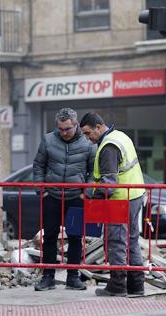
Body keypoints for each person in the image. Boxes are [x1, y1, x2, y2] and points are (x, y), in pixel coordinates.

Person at [79, 112, 145, 297]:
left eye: (88, 133)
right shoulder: (121, 136)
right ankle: (136, 285)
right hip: (134, 195)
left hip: (119, 200)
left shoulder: (108, 147)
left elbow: (109, 184)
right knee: (131, 240)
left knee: (116, 242)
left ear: (99, 127)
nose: (87, 138)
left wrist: (91, 195)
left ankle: (118, 285)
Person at [32, 108, 96, 291]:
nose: (64, 133)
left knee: (75, 238)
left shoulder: (88, 143)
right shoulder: (48, 140)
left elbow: (93, 171)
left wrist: (87, 193)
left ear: (75, 125)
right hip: (51, 196)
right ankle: (48, 277)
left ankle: (73, 278)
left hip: (77, 197)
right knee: (49, 237)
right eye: (60, 129)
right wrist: (41, 191)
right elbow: (38, 166)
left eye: (68, 129)